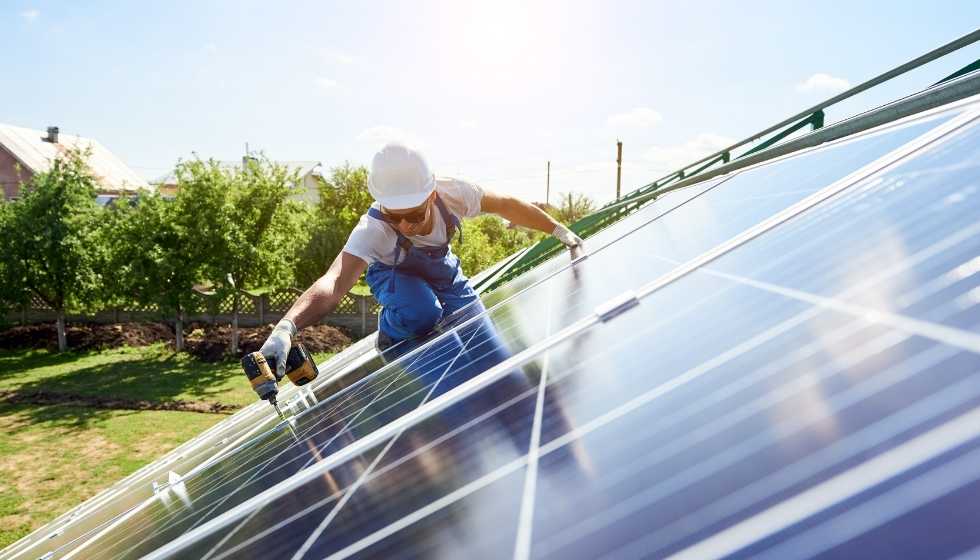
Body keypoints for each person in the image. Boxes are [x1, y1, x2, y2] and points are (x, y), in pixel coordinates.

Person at [259, 142, 583, 379]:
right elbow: (333, 282)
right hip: (396, 279)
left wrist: (558, 230)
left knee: (495, 363)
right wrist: (286, 328)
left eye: (413, 214)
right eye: (393, 215)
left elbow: (507, 205)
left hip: (445, 273)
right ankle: (391, 333)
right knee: (422, 312)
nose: (404, 225)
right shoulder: (372, 230)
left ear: (431, 195)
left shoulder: (455, 193)